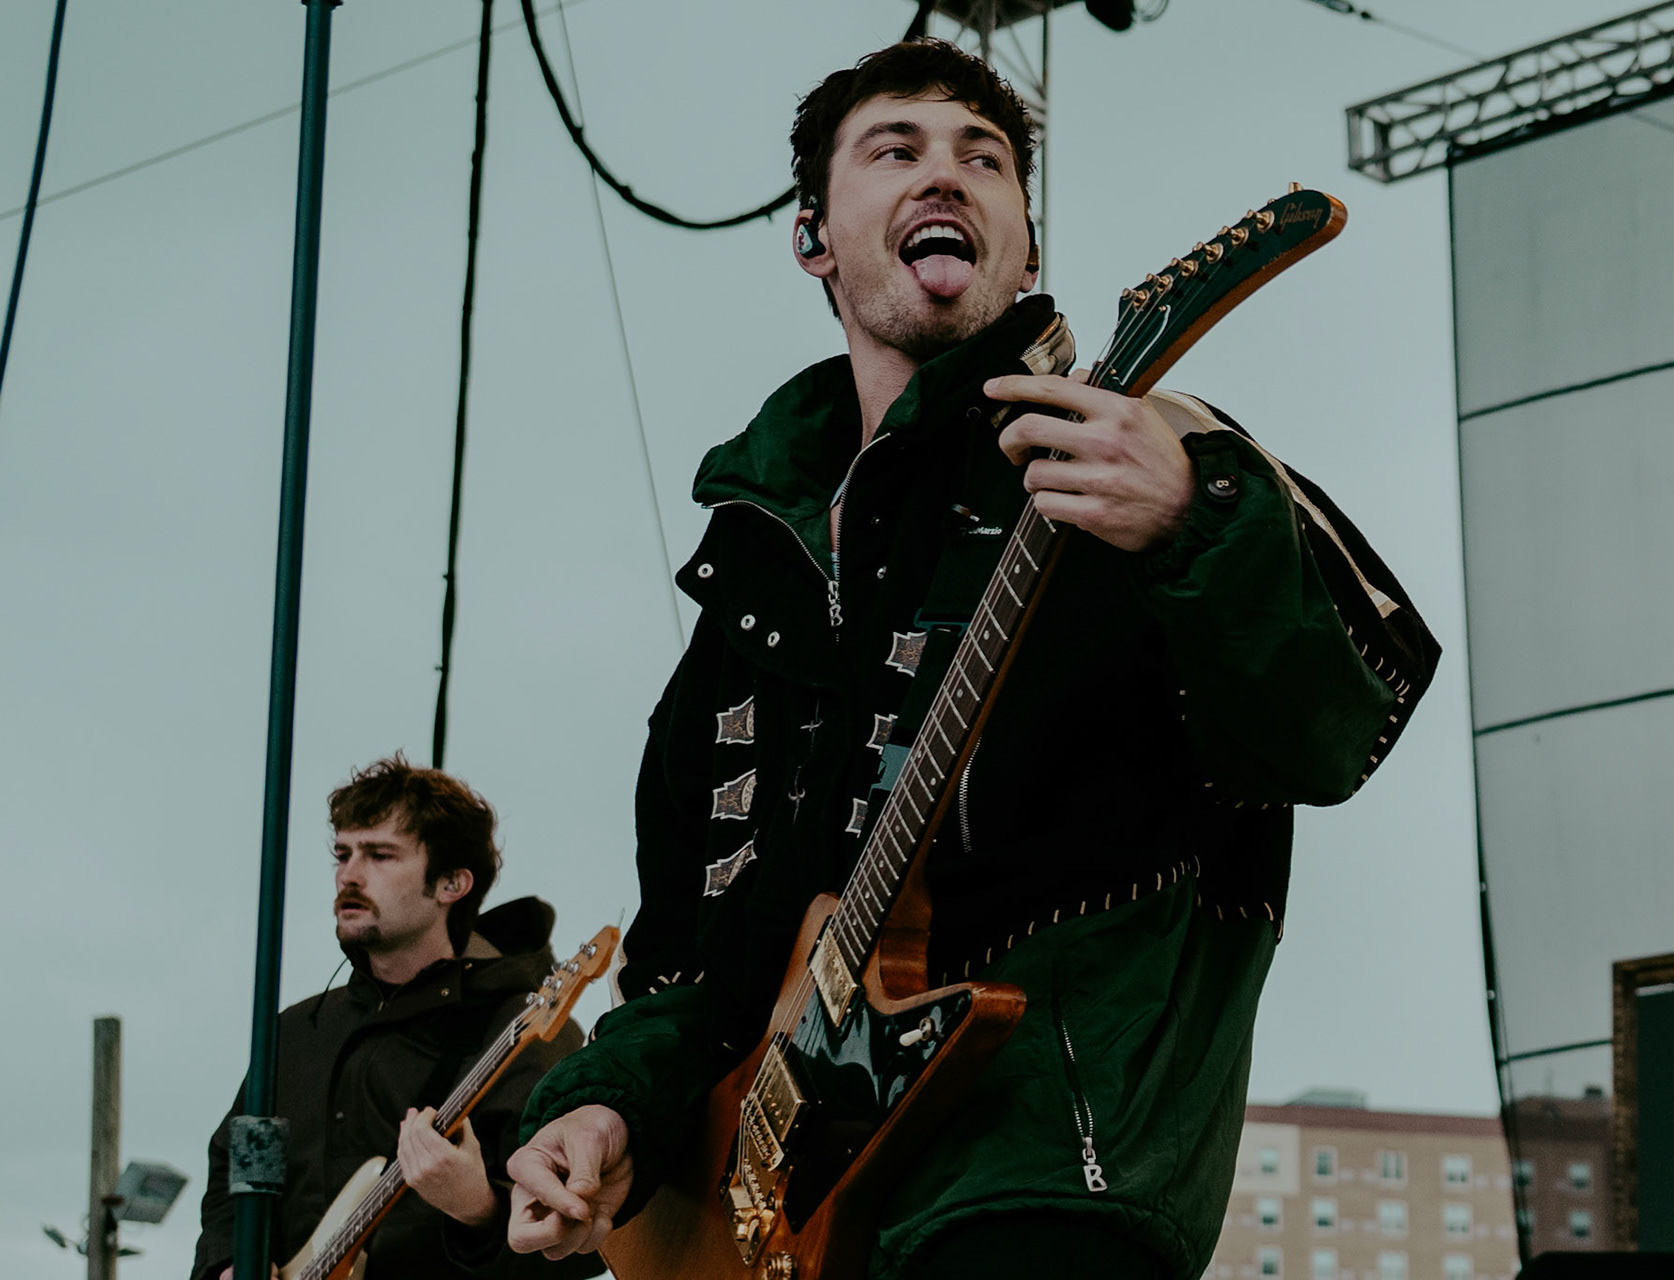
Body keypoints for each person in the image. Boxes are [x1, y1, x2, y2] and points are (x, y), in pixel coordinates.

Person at [505, 38, 1438, 1280]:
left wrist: (1192, 518)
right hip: (798, 1224)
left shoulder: (1136, 452)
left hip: (1048, 1185)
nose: (943, 174)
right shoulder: (756, 585)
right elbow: (694, 958)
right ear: (813, 238)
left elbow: (1332, 729)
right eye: (895, 150)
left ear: (1027, 250)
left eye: (983, 159)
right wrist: (603, 1105)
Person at [191, 756, 604, 1279]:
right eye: (343, 854)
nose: (349, 875)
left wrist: (479, 1209)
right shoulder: (295, 1033)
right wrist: (230, 1262)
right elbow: (239, 1177)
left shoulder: (522, 1031)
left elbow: (580, 1242)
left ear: (451, 884)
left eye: (380, 855)